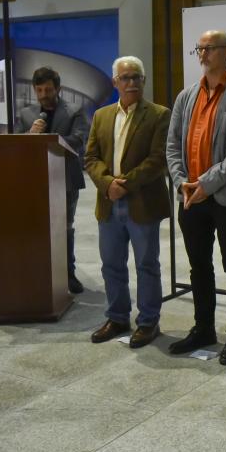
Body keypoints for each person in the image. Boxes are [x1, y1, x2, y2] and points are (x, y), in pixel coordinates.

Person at [166, 30, 226, 365]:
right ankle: (203, 328)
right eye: (199, 49)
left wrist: (204, 183)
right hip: (190, 198)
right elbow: (172, 144)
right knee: (199, 266)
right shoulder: (185, 96)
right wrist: (182, 183)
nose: (202, 54)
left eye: (208, 49)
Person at [85, 56, 171, 348]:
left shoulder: (159, 114)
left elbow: (158, 159)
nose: (131, 82)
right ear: (115, 82)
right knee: (111, 265)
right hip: (109, 202)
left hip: (142, 202)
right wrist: (108, 184)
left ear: (144, 81)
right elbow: (91, 158)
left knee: (146, 264)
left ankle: (148, 322)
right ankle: (118, 317)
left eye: (137, 77)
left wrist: (126, 184)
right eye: (126, 78)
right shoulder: (101, 116)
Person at [15, 66, 89, 294]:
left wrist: (47, 139)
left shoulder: (75, 110)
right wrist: (30, 136)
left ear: (57, 88)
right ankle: (40, 272)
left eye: (48, 89)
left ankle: (68, 274)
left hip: (66, 178)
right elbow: (15, 143)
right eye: (39, 90)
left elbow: (78, 140)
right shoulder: (27, 115)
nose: (43, 94)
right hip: (35, 180)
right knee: (38, 228)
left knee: (65, 228)